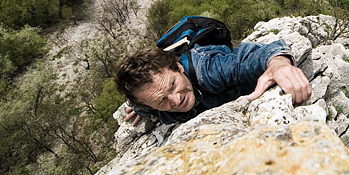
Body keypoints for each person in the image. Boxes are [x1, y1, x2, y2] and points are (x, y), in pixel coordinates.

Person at [115, 39, 311, 125]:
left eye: (173, 85)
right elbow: (141, 103)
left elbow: (255, 56)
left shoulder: (209, 71)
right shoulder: (146, 101)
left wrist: (279, 65)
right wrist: (140, 109)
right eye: (161, 102)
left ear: (179, 67)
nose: (176, 101)